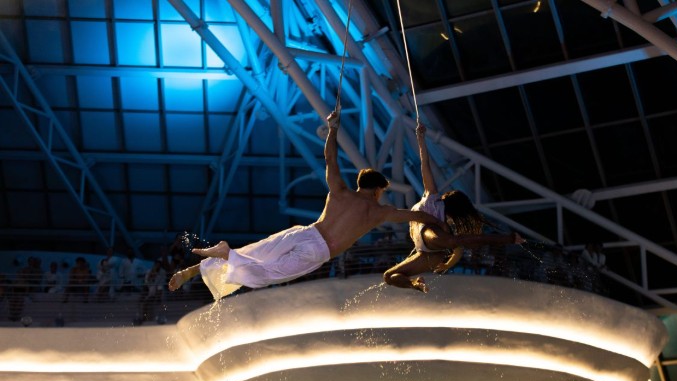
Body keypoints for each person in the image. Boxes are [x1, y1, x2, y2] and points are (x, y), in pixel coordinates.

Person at [168, 108, 448, 300]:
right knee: (268, 273)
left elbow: (330, 159)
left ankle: (195, 269)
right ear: (377, 190)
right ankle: (227, 254)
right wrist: (441, 225)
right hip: (318, 250)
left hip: (304, 232)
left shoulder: (339, 191)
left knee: (254, 253)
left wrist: (333, 128)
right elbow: (417, 217)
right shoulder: (379, 212)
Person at [383, 123, 525, 293]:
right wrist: (447, 264)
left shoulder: (432, 198)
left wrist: (421, 139)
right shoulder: (444, 221)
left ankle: (509, 238)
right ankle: (416, 285)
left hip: (428, 239)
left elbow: (425, 165)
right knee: (389, 276)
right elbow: (458, 250)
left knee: (454, 241)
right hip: (429, 253)